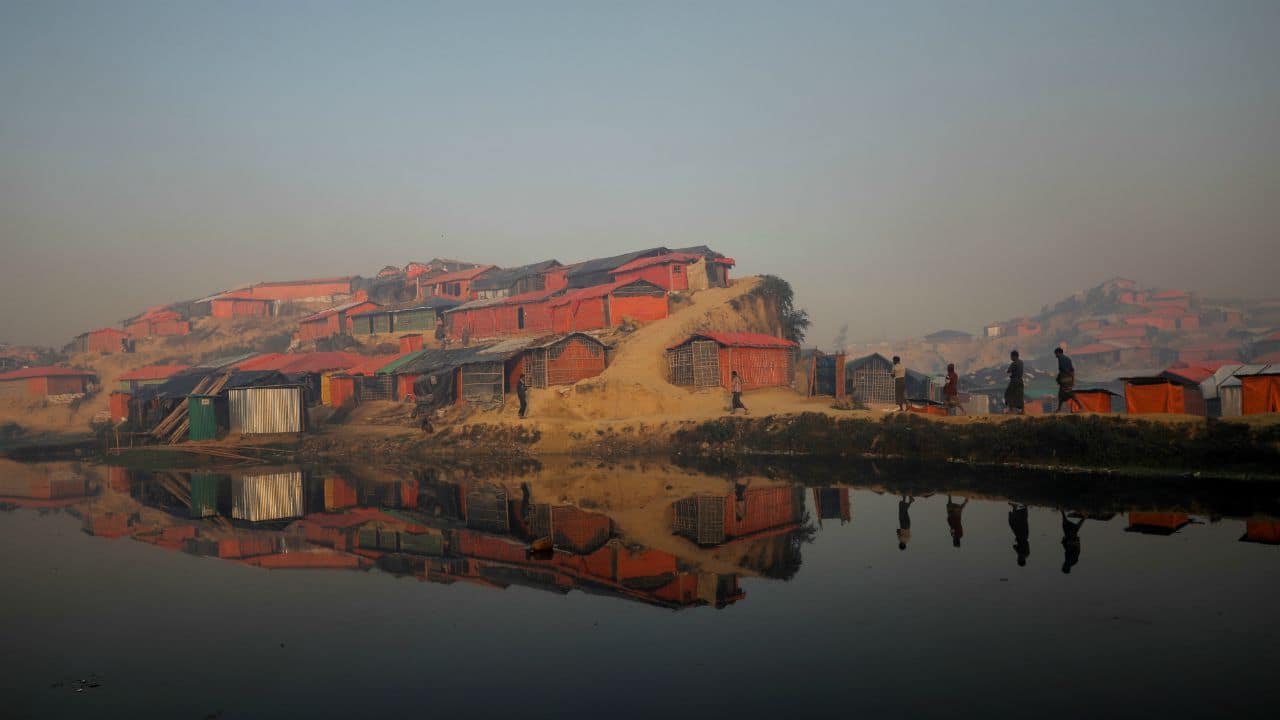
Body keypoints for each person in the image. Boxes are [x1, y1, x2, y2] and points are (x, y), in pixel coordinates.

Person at [1054, 347, 1077, 413]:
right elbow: (1072, 370)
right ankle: (1059, 409)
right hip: (1069, 378)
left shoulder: (1060, 359)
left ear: (1058, 353)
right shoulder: (1068, 359)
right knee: (1061, 394)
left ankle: (1080, 406)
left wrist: (1059, 378)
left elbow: (1063, 369)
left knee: (1069, 394)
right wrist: (1072, 379)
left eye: (1056, 354)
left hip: (1065, 379)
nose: (1055, 355)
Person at [1005, 350, 1025, 414]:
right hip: (1020, 381)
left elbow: (1008, 371)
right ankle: (1022, 411)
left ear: (1014, 356)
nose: (1011, 358)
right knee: (1020, 396)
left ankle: (1011, 410)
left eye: (1011, 356)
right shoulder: (1021, 362)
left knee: (1009, 394)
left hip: (1014, 381)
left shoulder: (1014, 363)